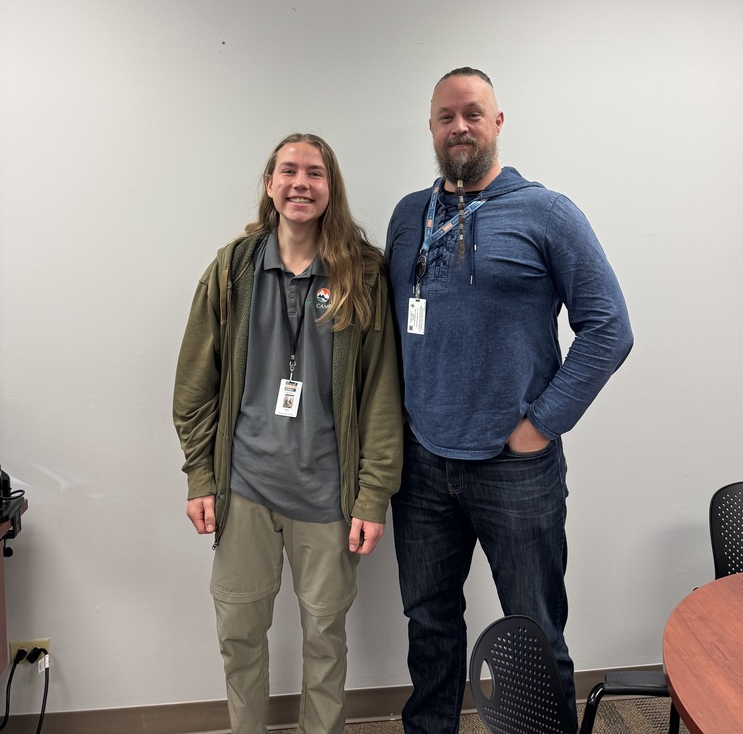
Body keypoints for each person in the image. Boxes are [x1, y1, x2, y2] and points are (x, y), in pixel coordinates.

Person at [385, 68, 634, 734]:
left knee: (532, 632)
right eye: (445, 116)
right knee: (429, 624)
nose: (458, 127)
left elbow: (609, 325)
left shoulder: (546, 212)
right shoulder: (410, 215)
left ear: (497, 123)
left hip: (514, 469)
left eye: (472, 113)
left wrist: (540, 426)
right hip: (421, 467)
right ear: (432, 128)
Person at [174, 133, 403, 734]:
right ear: (270, 184)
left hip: (327, 497)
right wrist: (201, 475)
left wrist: (372, 495)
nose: (301, 183)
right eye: (288, 171)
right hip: (243, 489)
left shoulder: (363, 275)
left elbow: (382, 395)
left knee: (325, 640)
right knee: (239, 636)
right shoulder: (232, 270)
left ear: (332, 188)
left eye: (315, 173)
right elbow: (195, 386)